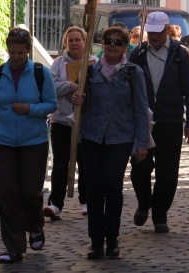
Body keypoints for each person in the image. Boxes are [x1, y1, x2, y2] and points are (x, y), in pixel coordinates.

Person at [0, 27, 57, 264]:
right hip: (3, 142)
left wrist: (30, 109)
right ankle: (14, 246)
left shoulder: (41, 73)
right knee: (6, 194)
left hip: (34, 142)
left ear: (28, 51)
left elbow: (51, 104)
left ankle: (35, 227)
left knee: (30, 192)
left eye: (21, 52)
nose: (16, 57)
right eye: (12, 52)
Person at [71, 26, 150, 260]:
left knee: (112, 186)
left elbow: (141, 109)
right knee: (94, 189)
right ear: (102, 44)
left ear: (125, 47)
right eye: (108, 41)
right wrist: (76, 98)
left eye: (117, 42)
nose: (112, 45)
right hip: (92, 136)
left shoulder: (133, 73)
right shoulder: (89, 71)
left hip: (120, 137)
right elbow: (77, 103)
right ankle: (96, 241)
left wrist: (142, 142)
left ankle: (112, 238)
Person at [129, 12, 189, 233]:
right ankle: (143, 202)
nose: (154, 36)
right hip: (143, 120)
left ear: (167, 29)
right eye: (150, 31)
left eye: (158, 32)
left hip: (170, 119)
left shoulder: (179, 54)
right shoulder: (137, 53)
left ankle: (160, 214)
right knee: (140, 167)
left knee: (168, 172)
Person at [43, 26, 96, 220]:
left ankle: (87, 200)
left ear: (84, 42)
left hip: (85, 122)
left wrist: (84, 91)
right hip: (62, 120)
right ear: (66, 43)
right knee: (60, 163)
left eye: (77, 40)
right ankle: (55, 203)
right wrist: (71, 86)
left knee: (86, 163)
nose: (74, 43)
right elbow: (50, 86)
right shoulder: (57, 63)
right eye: (70, 40)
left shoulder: (94, 63)